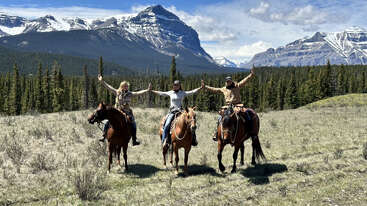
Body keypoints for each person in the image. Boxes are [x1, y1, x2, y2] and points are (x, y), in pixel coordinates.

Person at [202, 68, 255, 141]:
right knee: (220, 117)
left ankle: (251, 131)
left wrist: (251, 75)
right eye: (227, 81)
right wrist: (205, 86)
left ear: (231, 81)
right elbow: (214, 89)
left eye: (229, 81)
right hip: (227, 106)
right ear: (226, 82)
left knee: (245, 114)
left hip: (237, 105)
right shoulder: (224, 89)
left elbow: (244, 81)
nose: (228, 82)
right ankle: (217, 133)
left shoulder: (237, 85)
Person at [98, 74, 149, 146]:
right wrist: (102, 81)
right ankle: (104, 136)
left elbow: (138, 93)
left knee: (133, 123)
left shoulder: (130, 94)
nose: (126, 87)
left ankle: (134, 139)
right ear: (121, 86)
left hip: (127, 112)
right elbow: (108, 87)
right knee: (108, 122)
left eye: (127, 86)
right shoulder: (117, 92)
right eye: (124, 86)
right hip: (117, 111)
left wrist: (146, 90)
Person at [150, 80, 203, 147]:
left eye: (177, 85)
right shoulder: (170, 92)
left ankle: (193, 140)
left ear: (179, 86)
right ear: (173, 86)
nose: (176, 86)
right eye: (175, 85)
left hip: (180, 112)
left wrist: (200, 88)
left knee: (190, 124)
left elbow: (191, 92)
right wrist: (152, 90)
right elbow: (162, 93)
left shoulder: (182, 93)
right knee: (167, 124)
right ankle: (164, 141)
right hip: (172, 112)